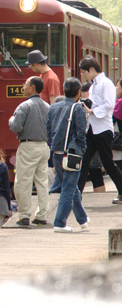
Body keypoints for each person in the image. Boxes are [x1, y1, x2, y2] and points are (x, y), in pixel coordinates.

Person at [46, 76, 90, 233]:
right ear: (79, 92)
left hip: (56, 152)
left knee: (71, 187)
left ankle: (83, 220)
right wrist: (82, 149)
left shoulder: (53, 107)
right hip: (72, 153)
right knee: (69, 188)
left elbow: (48, 131)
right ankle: (59, 222)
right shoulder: (77, 108)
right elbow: (81, 132)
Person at [77, 56, 122, 203]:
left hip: (103, 128)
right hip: (93, 127)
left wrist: (91, 111)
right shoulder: (94, 85)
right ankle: (76, 195)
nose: (83, 75)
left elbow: (109, 105)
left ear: (91, 69)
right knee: (84, 161)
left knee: (108, 163)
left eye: (84, 72)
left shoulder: (105, 83)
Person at [8, 75, 50, 227]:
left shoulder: (24, 106)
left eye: (25, 84)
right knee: (42, 182)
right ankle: (42, 215)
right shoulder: (47, 106)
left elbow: (16, 127)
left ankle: (24, 215)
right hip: (44, 146)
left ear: (33, 87)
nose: (23, 87)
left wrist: (10, 119)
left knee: (23, 182)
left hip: (28, 146)